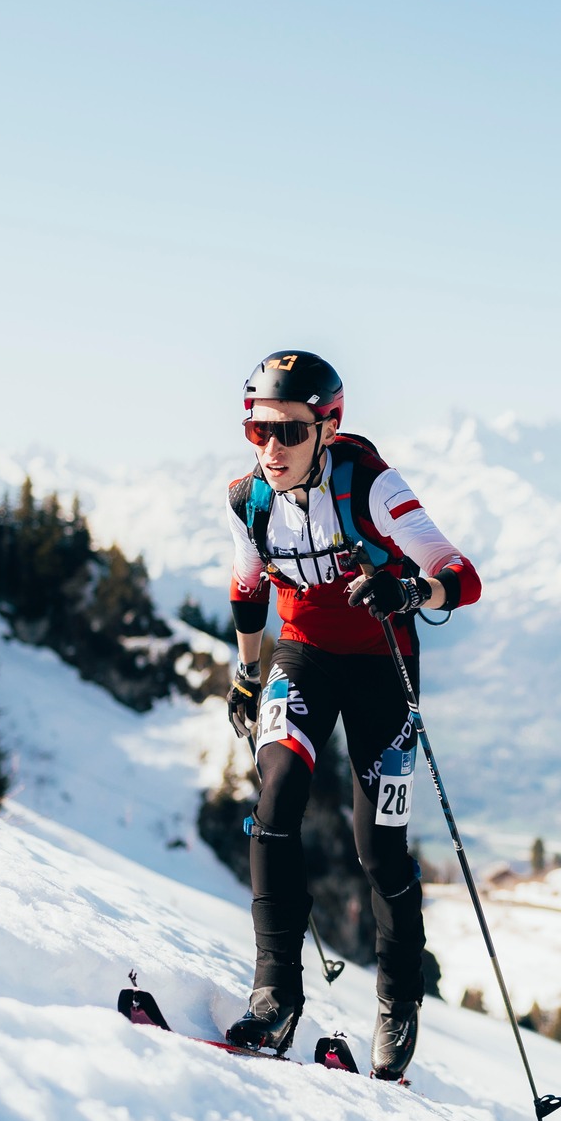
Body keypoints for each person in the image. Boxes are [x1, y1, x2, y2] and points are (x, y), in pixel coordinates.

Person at [222, 350, 482, 1079]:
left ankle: (399, 999)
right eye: (259, 429)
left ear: (327, 429)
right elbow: (248, 591)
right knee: (276, 799)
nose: (272, 448)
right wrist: (247, 674)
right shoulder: (248, 499)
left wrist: (412, 592)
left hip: (381, 665)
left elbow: (461, 577)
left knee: (380, 847)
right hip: (303, 654)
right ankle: (275, 994)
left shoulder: (371, 485)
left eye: (290, 431)